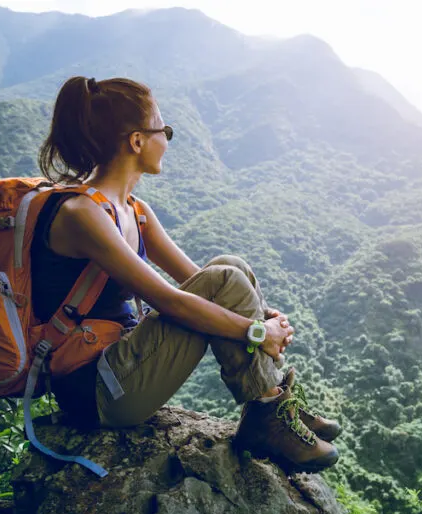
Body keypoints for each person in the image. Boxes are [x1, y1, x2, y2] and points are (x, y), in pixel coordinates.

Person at [31, 75, 340, 473]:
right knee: (226, 280)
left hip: (123, 365)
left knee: (231, 267)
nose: (168, 140)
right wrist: (258, 333)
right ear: (137, 141)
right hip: (95, 391)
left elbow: (201, 282)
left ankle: (273, 404)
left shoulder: (134, 211)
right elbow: (172, 300)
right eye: (166, 130)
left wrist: (260, 317)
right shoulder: (82, 215)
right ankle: (268, 414)